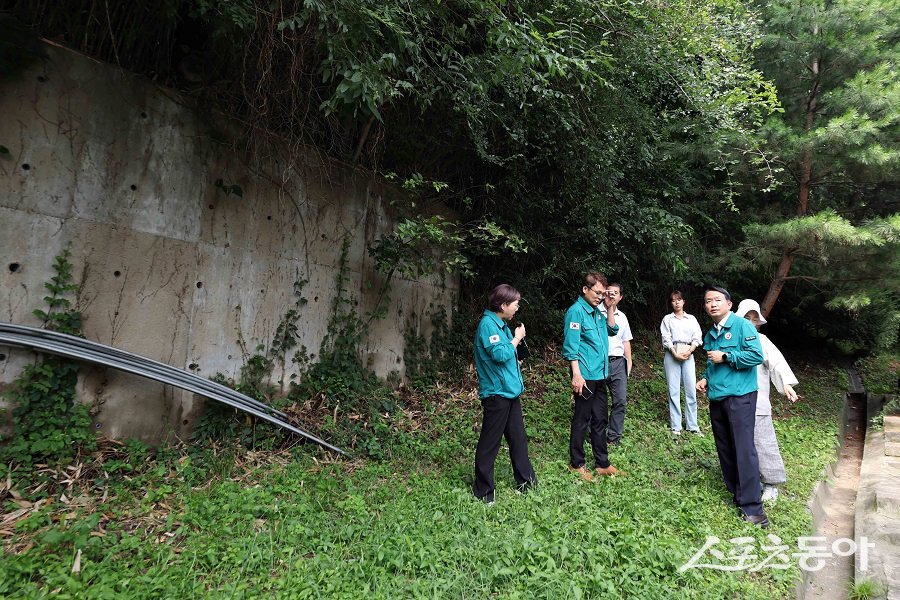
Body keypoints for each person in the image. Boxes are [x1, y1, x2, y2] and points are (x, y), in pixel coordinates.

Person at [696, 285, 768, 527]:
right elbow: (710, 362)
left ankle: (753, 509)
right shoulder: (711, 333)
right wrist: (706, 377)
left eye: (717, 300)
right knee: (725, 447)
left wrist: (727, 357)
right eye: (708, 301)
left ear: (728, 303)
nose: (712, 304)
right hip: (718, 397)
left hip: (740, 396)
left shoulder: (742, 326)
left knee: (743, 448)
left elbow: (756, 356)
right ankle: (738, 494)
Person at [472, 284, 538, 503]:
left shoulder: (500, 325)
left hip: (510, 392)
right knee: (490, 443)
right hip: (496, 394)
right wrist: (517, 338)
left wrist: (518, 349)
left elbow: (507, 355)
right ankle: (483, 493)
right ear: (503, 305)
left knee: (518, 439)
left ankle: (526, 483)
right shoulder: (487, 325)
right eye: (515, 304)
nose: (517, 308)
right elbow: (500, 354)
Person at [735, 298, 799, 504]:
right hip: (735, 401)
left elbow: (776, 363)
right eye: (747, 317)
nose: (751, 322)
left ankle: (771, 484)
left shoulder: (762, 341)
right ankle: (750, 481)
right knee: (741, 445)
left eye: (755, 319)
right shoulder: (731, 338)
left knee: (763, 442)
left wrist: (786, 385)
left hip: (758, 400)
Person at [562, 272, 621, 481]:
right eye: (597, 292)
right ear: (585, 289)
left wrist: (610, 306)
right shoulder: (576, 312)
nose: (600, 296)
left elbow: (613, 330)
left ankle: (602, 463)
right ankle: (576, 463)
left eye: (602, 293)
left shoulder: (598, 312)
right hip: (585, 375)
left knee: (600, 419)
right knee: (582, 419)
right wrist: (576, 375)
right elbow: (571, 347)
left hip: (600, 375)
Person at [659, 291, 704, 437]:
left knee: (691, 389)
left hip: (688, 352)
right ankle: (676, 426)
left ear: (683, 301)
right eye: (673, 300)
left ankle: (692, 425)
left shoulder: (691, 319)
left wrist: (690, 350)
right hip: (672, 353)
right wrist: (674, 352)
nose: (676, 303)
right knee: (673, 390)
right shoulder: (667, 319)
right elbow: (666, 337)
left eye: (679, 300)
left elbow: (697, 336)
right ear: (671, 303)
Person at [602, 283, 632, 445]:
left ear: (620, 297)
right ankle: (594, 434)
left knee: (620, 400)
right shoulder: (595, 312)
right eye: (610, 292)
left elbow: (625, 340)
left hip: (618, 362)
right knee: (597, 402)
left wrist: (629, 361)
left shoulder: (623, 317)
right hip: (599, 362)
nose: (612, 295)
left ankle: (613, 437)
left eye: (616, 293)